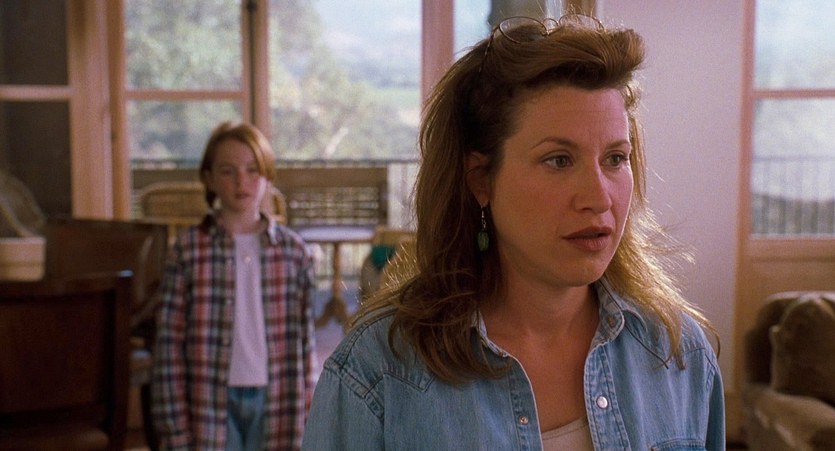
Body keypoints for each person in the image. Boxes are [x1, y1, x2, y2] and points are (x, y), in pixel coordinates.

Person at [301, 13, 724, 451]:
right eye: (559, 160)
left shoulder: (679, 357)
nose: (599, 198)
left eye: (615, 159)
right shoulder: (378, 376)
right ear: (481, 180)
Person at [152, 121, 316, 450]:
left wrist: (309, 401)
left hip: (276, 400)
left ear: (267, 175)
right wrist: (174, 428)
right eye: (228, 171)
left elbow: (304, 340)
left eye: (252, 170)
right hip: (209, 399)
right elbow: (168, 345)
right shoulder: (188, 251)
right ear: (209, 178)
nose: (241, 182)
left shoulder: (294, 252)